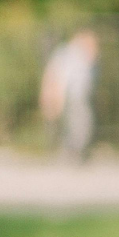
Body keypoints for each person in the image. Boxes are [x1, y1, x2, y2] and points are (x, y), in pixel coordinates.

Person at [39, 29, 99, 161]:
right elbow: (59, 75)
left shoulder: (77, 52)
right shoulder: (70, 53)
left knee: (78, 123)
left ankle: (74, 151)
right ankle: (75, 152)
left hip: (78, 95)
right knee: (79, 123)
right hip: (73, 94)